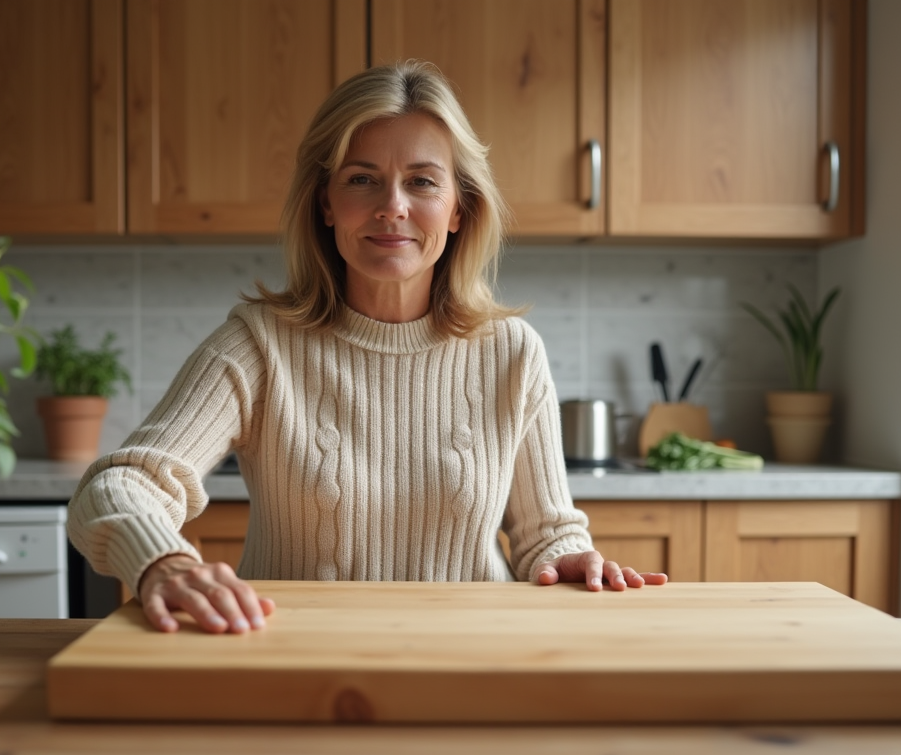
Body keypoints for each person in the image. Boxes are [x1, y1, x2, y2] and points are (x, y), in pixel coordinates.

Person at [67, 60, 667, 635]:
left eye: (422, 182)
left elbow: (546, 535)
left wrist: (568, 558)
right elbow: (120, 485)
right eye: (362, 179)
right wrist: (162, 561)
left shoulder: (511, 352)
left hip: (472, 659)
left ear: (459, 209)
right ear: (326, 203)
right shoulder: (258, 344)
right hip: (301, 664)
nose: (392, 207)